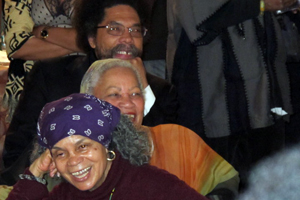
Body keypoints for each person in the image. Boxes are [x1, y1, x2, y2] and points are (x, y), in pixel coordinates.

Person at [1, 0, 178, 181]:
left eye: (135, 30)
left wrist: (143, 91)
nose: (127, 38)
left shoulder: (160, 92)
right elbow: (18, 151)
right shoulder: (51, 77)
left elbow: (168, 157)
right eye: (114, 29)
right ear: (92, 38)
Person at [167, 0, 294, 190]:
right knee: (218, 184)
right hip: (214, 102)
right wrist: (260, 5)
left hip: (262, 99)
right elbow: (196, 17)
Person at [80, 59, 239, 199]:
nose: (128, 103)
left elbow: (225, 181)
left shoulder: (175, 138)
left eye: (136, 93)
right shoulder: (72, 155)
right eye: (114, 94)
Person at [6, 93, 207, 200]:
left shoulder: (154, 186)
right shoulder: (65, 195)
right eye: (60, 154)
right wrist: (34, 173)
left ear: (105, 142)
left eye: (82, 146)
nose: (74, 160)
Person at [2, 0, 83, 122]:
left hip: (84, 79)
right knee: (28, 138)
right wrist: (82, 44)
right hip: (32, 84)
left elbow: (101, 35)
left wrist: (43, 32)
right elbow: (18, 46)